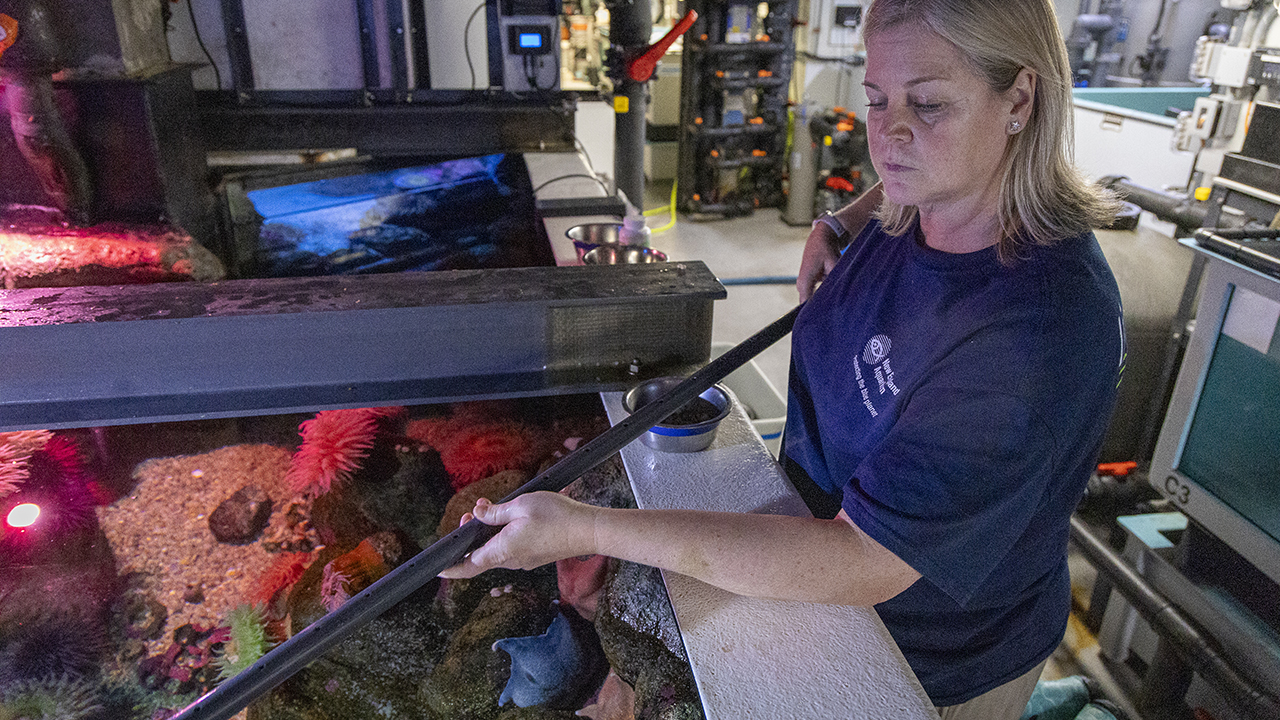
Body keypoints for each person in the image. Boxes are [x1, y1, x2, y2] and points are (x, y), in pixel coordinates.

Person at [442, 0, 1124, 717]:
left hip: (919, 660)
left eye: (927, 104)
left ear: (1019, 98)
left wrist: (585, 529)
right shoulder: (924, 197)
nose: (887, 136)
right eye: (876, 100)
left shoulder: (1034, 337)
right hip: (809, 567)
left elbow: (861, 561)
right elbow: (904, 164)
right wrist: (847, 217)